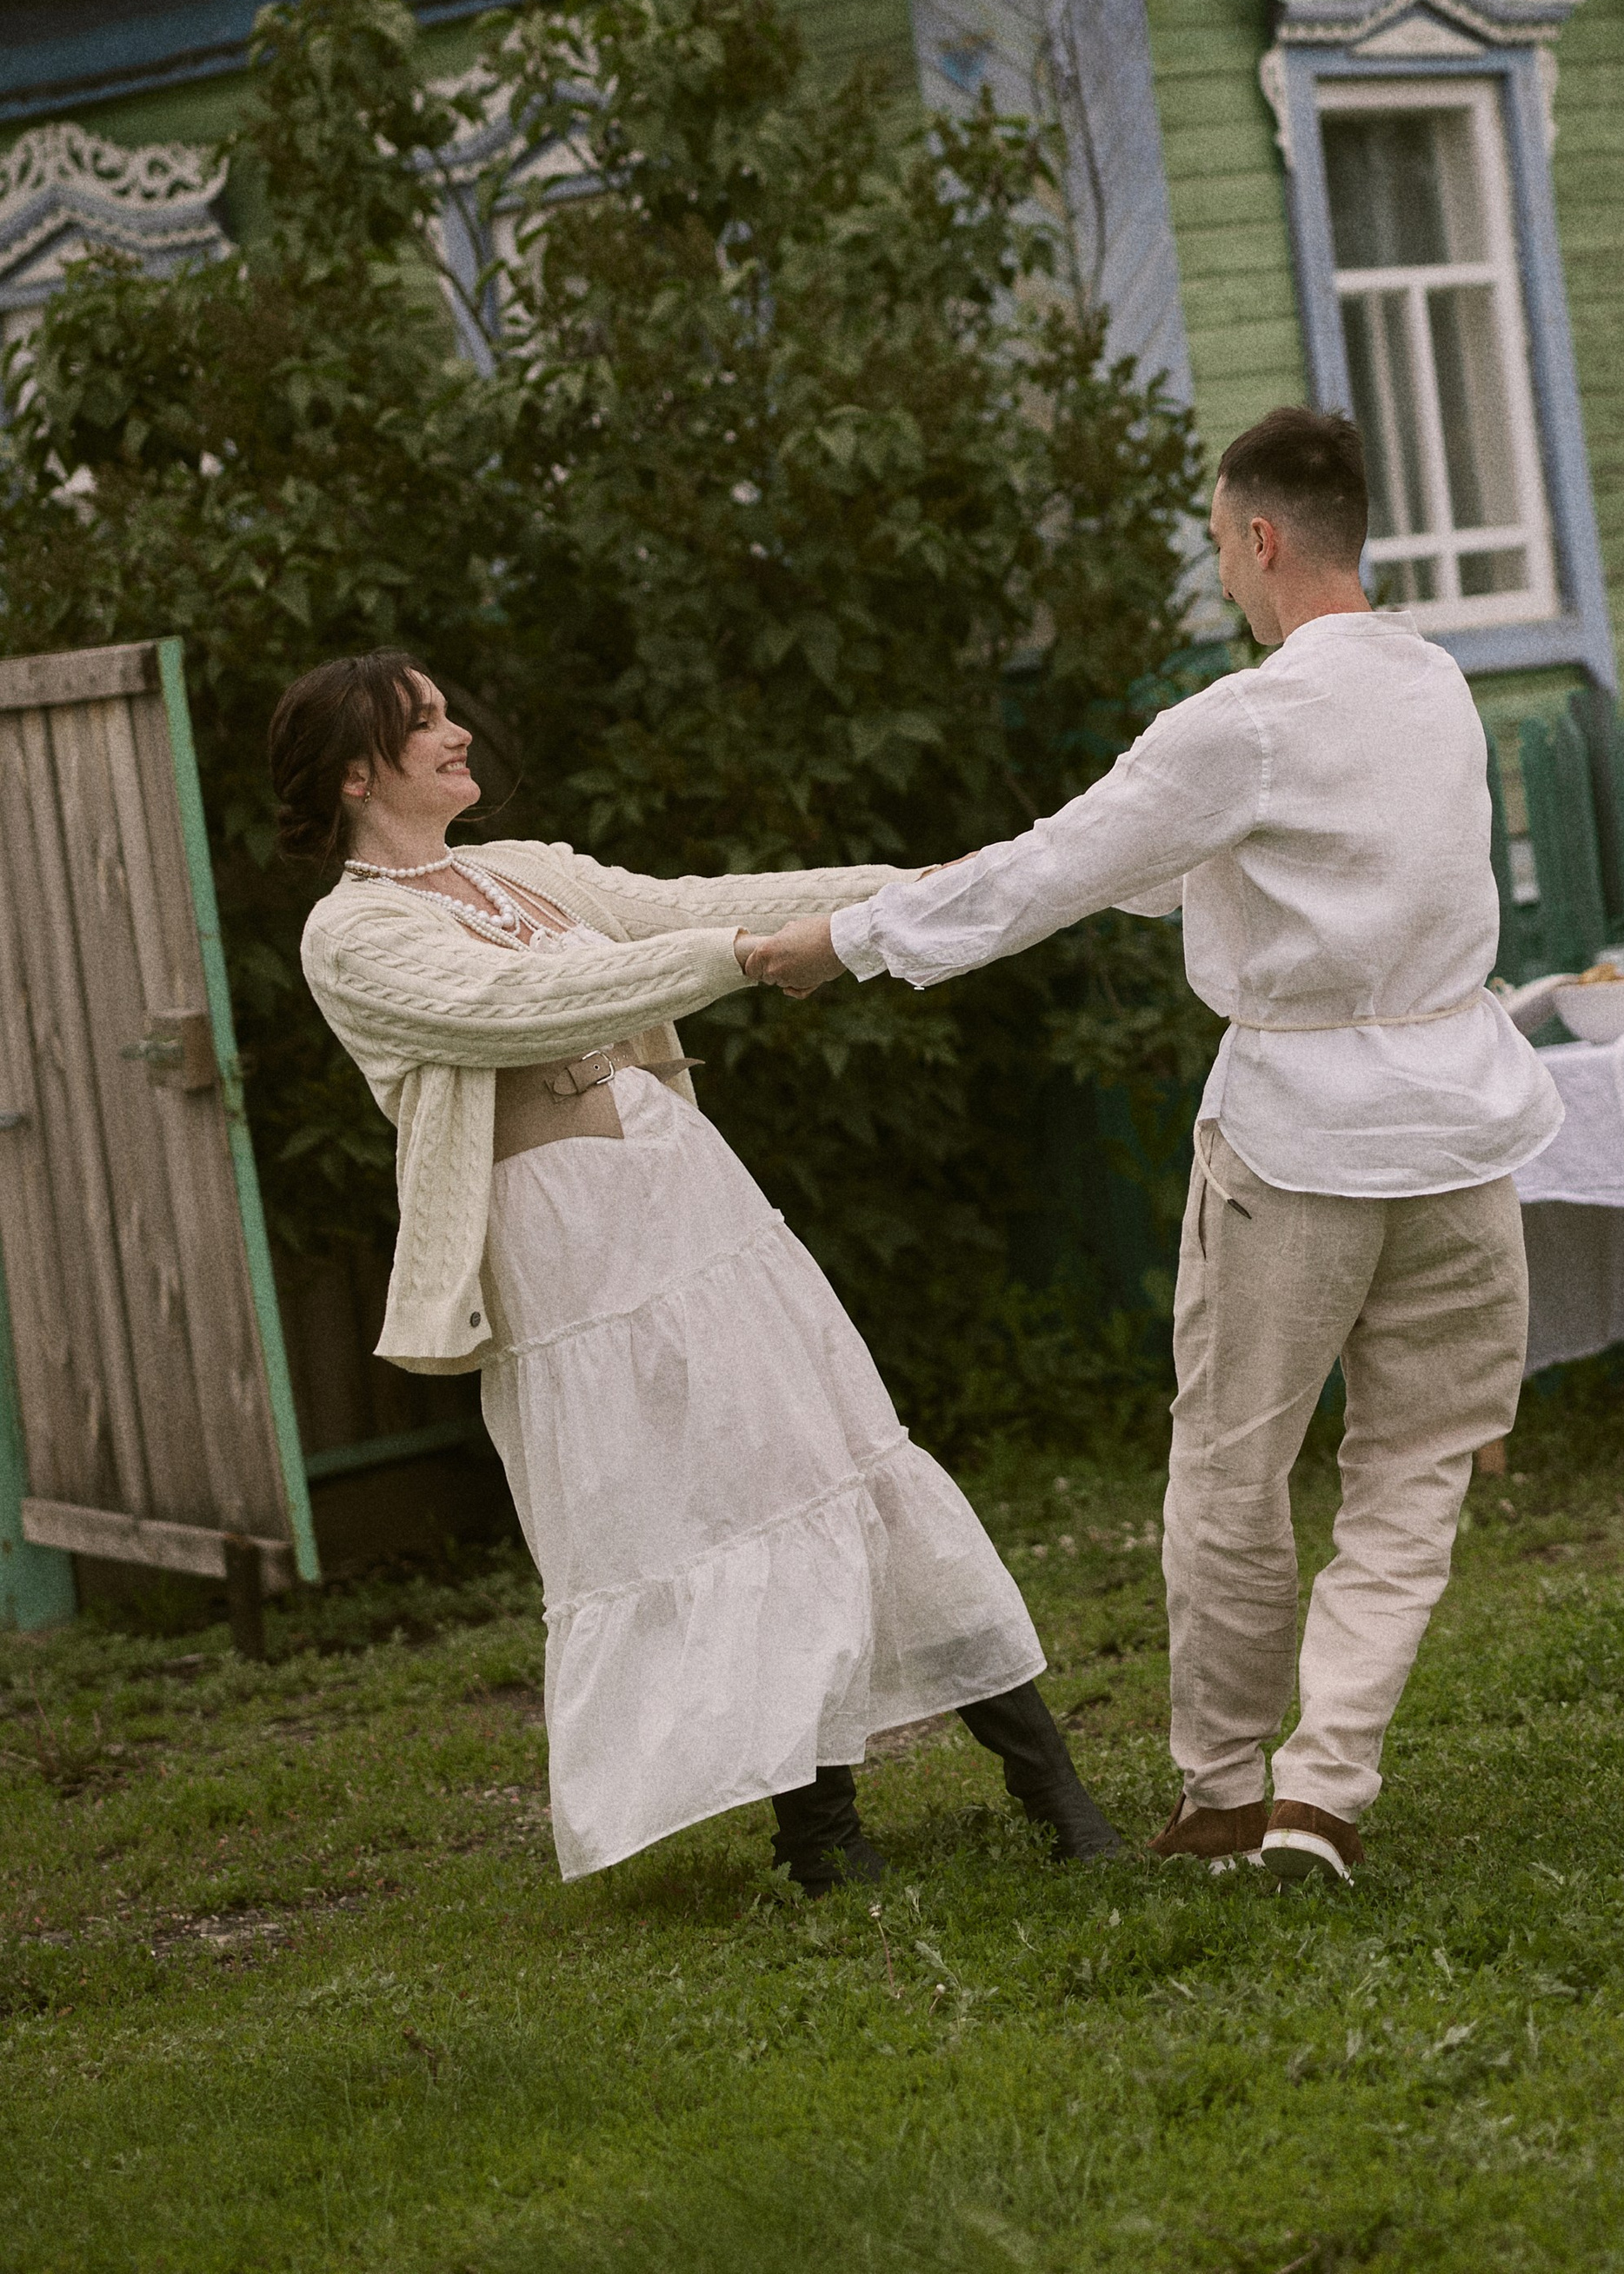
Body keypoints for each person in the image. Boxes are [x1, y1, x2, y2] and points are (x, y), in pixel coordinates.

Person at [745, 406, 1561, 1886]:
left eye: (1217, 548)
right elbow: (1199, 871)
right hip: (1462, 1128)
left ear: (1257, 539)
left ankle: (1231, 1796)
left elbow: (1062, 866)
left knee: (1234, 1470)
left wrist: (845, 942)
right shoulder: (1438, 688)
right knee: (1415, 1470)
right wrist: (919, 898)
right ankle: (1327, 1792)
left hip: (1306, 1143)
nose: (1223, 578)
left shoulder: (1243, 720)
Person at [276, 649, 1121, 1891]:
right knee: (714, 1500)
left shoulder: (524, 872)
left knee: (835, 1452)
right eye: (424, 725)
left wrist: (906, 892)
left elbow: (686, 900)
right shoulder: (352, 936)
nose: (460, 733)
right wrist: (747, 956)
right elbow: (531, 1004)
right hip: (570, 1255)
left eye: (452, 710)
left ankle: (1048, 1780)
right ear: (356, 772)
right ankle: (818, 1833)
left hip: (693, 1206)